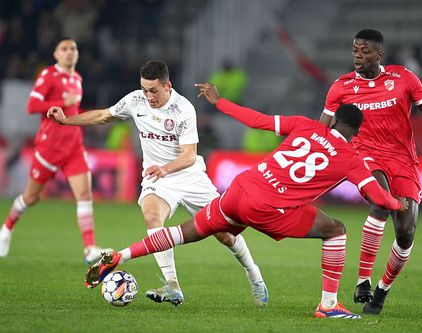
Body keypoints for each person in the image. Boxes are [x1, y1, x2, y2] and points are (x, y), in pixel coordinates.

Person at [80, 83, 409, 319]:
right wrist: (396, 204)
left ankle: (119, 255)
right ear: (357, 132)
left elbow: (258, 120)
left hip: (239, 189)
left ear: (334, 120)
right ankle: (328, 305)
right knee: (335, 229)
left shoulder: (305, 125)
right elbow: (373, 193)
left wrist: (220, 102)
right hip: (268, 207)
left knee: (183, 232)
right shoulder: (351, 156)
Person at [46, 60, 267, 307]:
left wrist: (165, 168)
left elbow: (189, 155)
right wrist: (67, 120)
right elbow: (102, 115)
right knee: (152, 216)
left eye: (154, 90)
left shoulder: (183, 109)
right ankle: (172, 286)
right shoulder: (135, 101)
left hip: (190, 177)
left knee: (225, 234)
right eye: (144, 89)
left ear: (168, 86)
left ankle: (253, 273)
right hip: (157, 179)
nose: (148, 96)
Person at [319, 29, 422, 315]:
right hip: (365, 156)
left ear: (379, 55)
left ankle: (382, 289)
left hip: (403, 161)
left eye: (364, 51)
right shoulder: (341, 87)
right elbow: (322, 130)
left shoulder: (403, 79)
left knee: (405, 233)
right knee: (381, 199)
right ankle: (363, 280)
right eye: (355, 49)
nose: (358, 55)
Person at [0, 38, 111, 264]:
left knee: (84, 194)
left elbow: (72, 109)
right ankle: (6, 229)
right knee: (31, 197)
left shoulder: (77, 79)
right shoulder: (48, 76)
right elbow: (32, 106)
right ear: (56, 54)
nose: (70, 52)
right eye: (65, 49)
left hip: (73, 147)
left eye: (73, 48)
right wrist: (61, 100)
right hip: (49, 148)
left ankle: (89, 248)